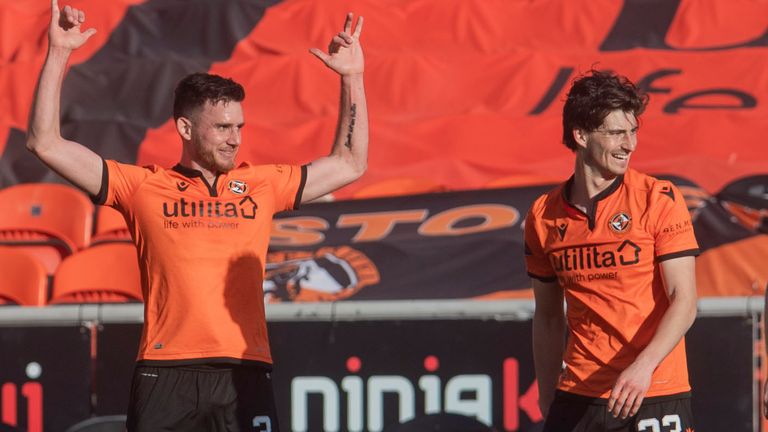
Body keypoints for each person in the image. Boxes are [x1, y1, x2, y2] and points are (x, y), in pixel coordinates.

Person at [26, 1, 367, 431]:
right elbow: (45, 144)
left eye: (239, 127)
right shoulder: (142, 186)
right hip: (165, 371)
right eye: (222, 128)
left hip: (245, 369)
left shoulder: (263, 184)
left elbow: (350, 163)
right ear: (185, 129)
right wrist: (58, 53)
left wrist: (352, 78)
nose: (235, 139)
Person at [524, 70, 699, 431]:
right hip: (580, 395)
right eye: (618, 133)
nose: (630, 144)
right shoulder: (543, 215)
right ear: (581, 135)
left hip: (653, 389)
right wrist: (547, 392)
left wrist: (643, 367)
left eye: (633, 131)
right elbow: (548, 317)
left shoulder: (658, 198)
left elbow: (684, 301)